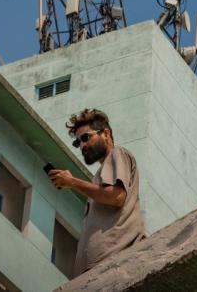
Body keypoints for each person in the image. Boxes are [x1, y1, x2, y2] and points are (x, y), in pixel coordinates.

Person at [47, 108, 146, 276]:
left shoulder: (117, 154)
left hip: (114, 262)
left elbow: (117, 196)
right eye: (78, 142)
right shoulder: (99, 176)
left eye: (86, 137)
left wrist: (72, 182)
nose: (83, 145)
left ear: (105, 133)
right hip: (97, 270)